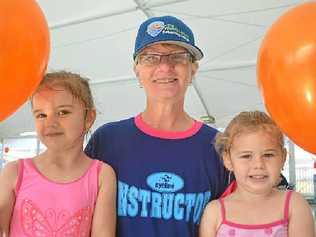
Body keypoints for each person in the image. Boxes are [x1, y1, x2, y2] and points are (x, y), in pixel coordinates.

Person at [84, 16, 228, 237]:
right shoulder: (106, 141)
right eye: (151, 58)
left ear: (193, 69)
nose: (164, 66)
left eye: (178, 57)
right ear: (137, 70)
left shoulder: (218, 147)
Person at [0, 71, 116, 237]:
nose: (50, 122)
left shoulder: (101, 175)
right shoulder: (15, 172)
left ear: (88, 118)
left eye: (63, 112)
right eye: (41, 115)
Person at [199, 111, 315, 237]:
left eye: (268, 155)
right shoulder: (215, 212)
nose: (258, 164)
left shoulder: (294, 205)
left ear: (283, 157)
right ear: (228, 160)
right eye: (246, 156)